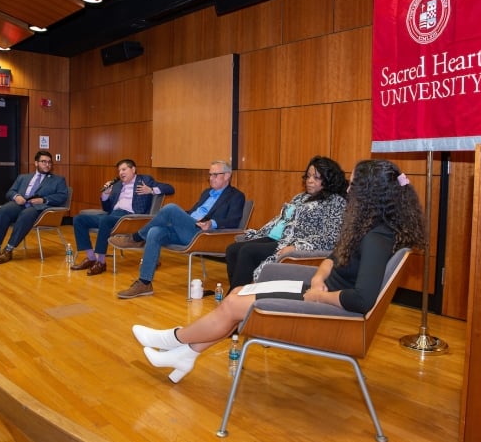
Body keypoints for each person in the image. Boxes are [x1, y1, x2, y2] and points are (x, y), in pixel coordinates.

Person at [130, 159, 425, 383]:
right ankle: (185, 356)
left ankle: (174, 339)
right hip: (316, 289)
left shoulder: (378, 237)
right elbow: (334, 257)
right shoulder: (366, 225)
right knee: (237, 292)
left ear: (370, 193)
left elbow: (362, 300)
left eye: (355, 184)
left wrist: (319, 295)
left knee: (233, 303)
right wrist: (320, 278)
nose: (349, 188)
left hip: (327, 307)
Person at [109, 160, 245, 299]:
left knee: (170, 208)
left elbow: (233, 221)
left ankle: (136, 238)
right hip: (189, 229)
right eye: (210, 175)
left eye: (215, 175)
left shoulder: (236, 196)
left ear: (227, 175)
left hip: (205, 235)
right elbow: (192, 213)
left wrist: (212, 223)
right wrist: (174, 218)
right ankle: (145, 283)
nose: (211, 178)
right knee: (154, 232)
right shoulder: (206, 193)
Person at [225, 156, 348, 290]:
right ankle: (238, 293)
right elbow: (282, 220)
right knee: (232, 249)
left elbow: (331, 238)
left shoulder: (335, 202)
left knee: (248, 252)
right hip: (283, 238)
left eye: (316, 178)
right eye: (308, 176)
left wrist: (297, 246)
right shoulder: (301, 197)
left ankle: (237, 296)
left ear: (329, 179)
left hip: (297, 243)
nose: (310, 181)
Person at [70, 159, 175, 276]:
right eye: (119, 170)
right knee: (79, 219)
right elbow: (106, 208)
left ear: (133, 169)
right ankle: (91, 258)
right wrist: (105, 195)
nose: (121, 173)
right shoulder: (117, 185)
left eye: (124, 169)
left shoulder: (145, 180)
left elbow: (170, 188)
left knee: (105, 220)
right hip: (112, 216)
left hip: (130, 218)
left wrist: (151, 190)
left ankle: (101, 262)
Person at [0, 150, 69, 265]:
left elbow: (62, 196)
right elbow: (10, 192)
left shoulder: (58, 180)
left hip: (39, 209)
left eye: (49, 162)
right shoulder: (23, 177)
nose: (47, 164)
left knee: (26, 214)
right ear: (36, 163)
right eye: (43, 162)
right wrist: (16, 196)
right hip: (20, 204)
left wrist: (43, 200)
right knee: (4, 210)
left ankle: (9, 250)